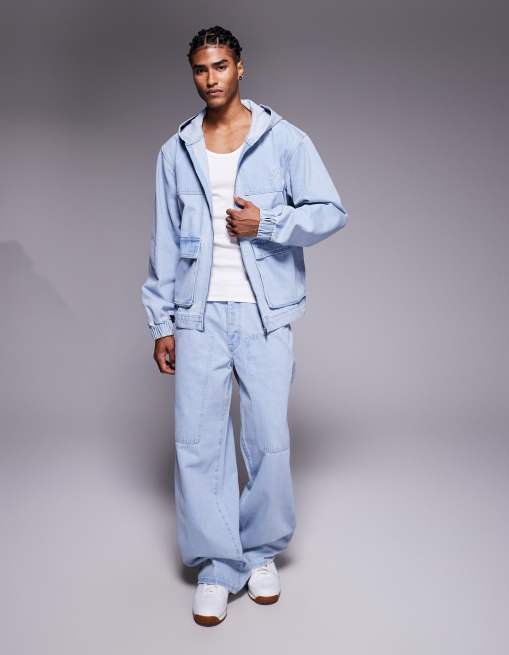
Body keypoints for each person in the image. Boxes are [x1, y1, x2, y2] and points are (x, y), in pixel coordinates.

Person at [141, 25, 348, 627]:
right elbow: (162, 242)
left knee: (267, 438)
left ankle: (259, 552)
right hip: (197, 315)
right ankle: (215, 564)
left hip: (264, 313)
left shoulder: (284, 140)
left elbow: (331, 211)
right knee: (197, 442)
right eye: (201, 69)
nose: (211, 79)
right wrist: (161, 322)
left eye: (221, 66)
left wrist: (270, 223)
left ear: (240, 68)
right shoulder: (176, 150)